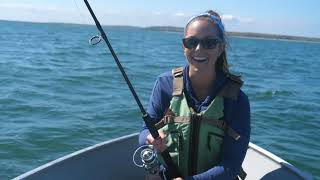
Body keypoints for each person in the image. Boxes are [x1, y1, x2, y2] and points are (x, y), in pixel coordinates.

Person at [139, 10, 250, 180]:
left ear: (220, 48)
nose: (199, 49)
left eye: (209, 43)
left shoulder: (237, 99)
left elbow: (232, 164)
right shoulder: (164, 85)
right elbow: (145, 130)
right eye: (191, 42)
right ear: (184, 46)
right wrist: (148, 139)